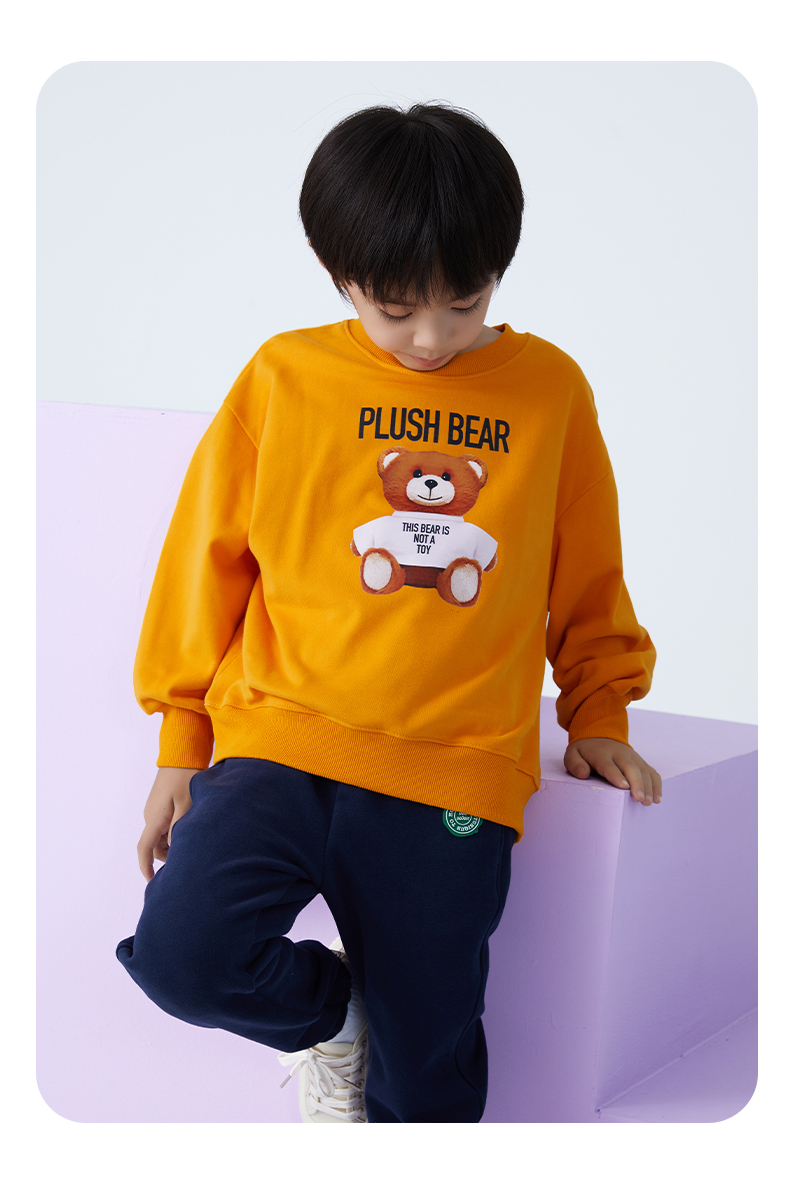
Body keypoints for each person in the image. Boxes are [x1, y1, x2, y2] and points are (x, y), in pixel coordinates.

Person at [115, 101, 661, 1124]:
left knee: (427, 1074)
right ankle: (332, 1018)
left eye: (465, 302)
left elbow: (587, 567)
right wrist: (181, 737)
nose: (431, 337)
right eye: (396, 308)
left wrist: (599, 711)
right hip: (278, 745)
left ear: (498, 269)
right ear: (338, 274)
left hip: (450, 771)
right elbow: (206, 560)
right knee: (182, 957)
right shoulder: (285, 376)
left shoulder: (549, 391)